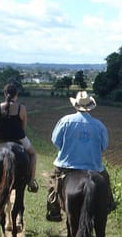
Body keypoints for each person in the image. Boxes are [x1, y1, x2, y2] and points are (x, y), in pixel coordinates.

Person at [46, 91, 114, 222]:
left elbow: (56, 141)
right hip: (94, 168)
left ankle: (54, 209)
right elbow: (104, 146)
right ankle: (108, 204)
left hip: (66, 166)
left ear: (75, 105)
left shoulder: (65, 121)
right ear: (90, 106)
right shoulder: (99, 125)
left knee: (53, 182)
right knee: (106, 179)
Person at [0, 83, 38, 193]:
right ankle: (31, 181)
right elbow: (23, 127)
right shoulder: (22, 108)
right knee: (33, 154)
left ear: (5, 94)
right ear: (17, 95)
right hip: (19, 138)